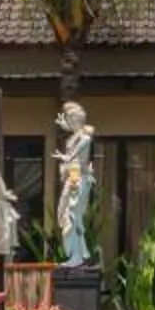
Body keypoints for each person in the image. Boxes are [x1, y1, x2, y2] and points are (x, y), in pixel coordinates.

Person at [53, 103, 96, 268]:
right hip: (73, 175)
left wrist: (65, 157)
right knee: (66, 214)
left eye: (70, 119)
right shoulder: (77, 136)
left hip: (78, 178)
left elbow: (73, 154)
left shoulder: (85, 138)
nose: (68, 123)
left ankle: (77, 256)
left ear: (77, 120)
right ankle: (81, 253)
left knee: (72, 216)